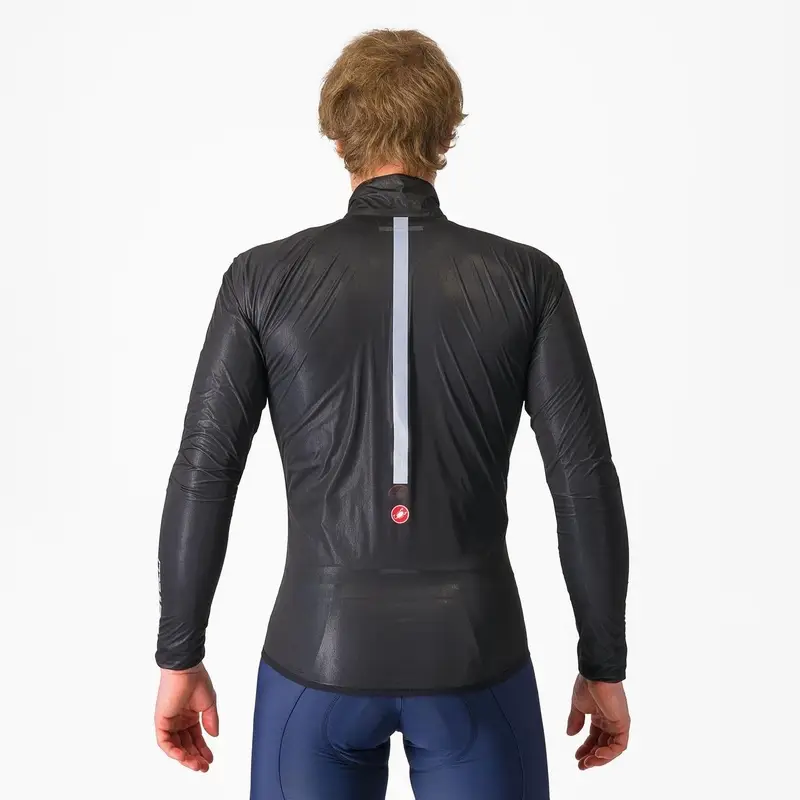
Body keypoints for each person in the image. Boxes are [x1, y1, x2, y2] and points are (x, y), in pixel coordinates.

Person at [153, 28, 631, 800]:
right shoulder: (527, 279)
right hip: (476, 657)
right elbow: (584, 482)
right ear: (446, 134)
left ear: (337, 134)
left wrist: (180, 656)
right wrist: (603, 665)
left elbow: (204, 474)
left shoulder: (260, 279)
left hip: (315, 657)